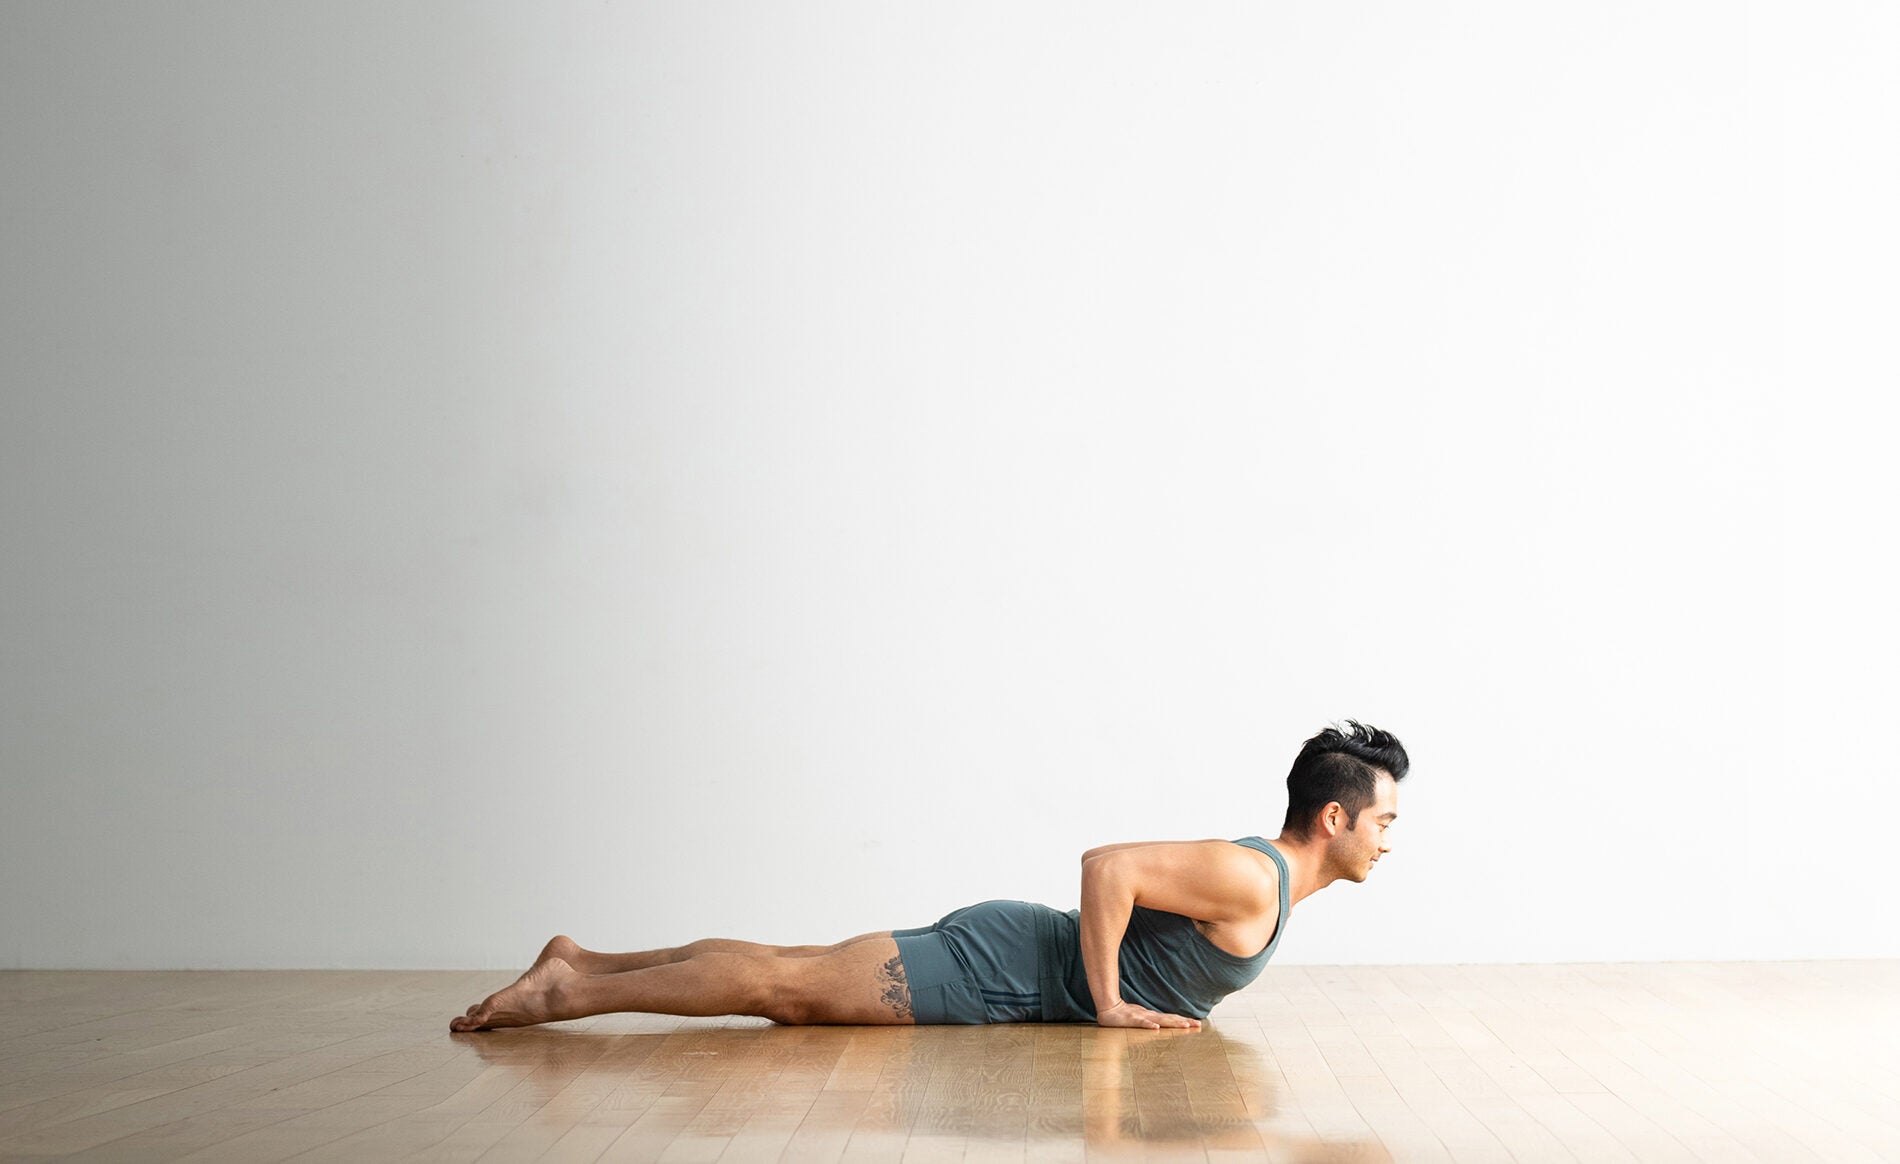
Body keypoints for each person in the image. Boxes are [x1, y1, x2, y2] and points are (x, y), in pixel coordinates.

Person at [449, 720, 1408, 1033]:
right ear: (1334, 818)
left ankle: (581, 959)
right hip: (1001, 968)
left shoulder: (1265, 886)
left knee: (789, 963)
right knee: (784, 989)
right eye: (1383, 821)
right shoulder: (1252, 880)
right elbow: (1107, 867)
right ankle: (564, 995)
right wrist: (1110, 1002)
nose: (1389, 841)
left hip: (1007, 964)